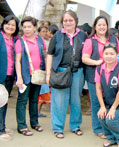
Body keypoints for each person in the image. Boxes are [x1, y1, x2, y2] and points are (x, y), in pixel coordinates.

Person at [46, 10, 87, 139]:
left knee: (75, 100)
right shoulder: (57, 36)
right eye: (65, 20)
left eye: (70, 20)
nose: (68, 22)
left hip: (77, 72)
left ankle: (75, 126)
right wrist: (48, 74)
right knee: (59, 101)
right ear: (62, 22)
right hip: (60, 72)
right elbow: (50, 54)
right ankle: (58, 128)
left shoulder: (82, 36)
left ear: (76, 22)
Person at [82, 16, 119, 139]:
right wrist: (98, 62)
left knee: (109, 101)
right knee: (96, 103)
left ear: (107, 26)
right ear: (95, 26)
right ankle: (98, 129)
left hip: (112, 76)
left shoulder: (113, 39)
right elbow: (84, 58)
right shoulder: (90, 41)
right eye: (99, 25)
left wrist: (118, 59)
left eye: (104, 25)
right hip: (94, 76)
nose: (102, 27)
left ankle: (110, 126)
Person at [15, 16, 46, 136]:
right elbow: (18, 60)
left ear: (34, 28)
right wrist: (19, 77)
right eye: (24, 27)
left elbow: (44, 54)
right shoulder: (20, 42)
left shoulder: (40, 40)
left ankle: (34, 123)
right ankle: (22, 126)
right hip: (25, 76)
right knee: (22, 101)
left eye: (29, 27)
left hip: (37, 76)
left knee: (34, 100)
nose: (27, 29)